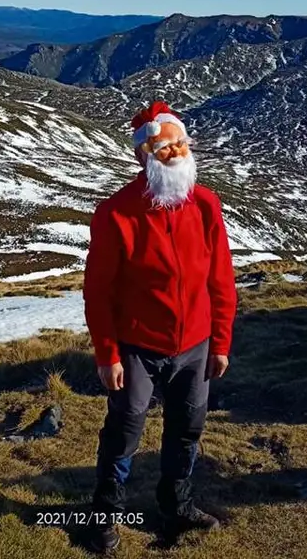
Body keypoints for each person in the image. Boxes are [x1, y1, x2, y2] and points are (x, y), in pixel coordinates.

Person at [82, 100, 238, 552]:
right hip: (136, 346)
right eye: (164, 147)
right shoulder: (116, 214)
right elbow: (99, 292)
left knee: (188, 426)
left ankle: (177, 505)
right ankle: (105, 517)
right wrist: (107, 353)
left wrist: (221, 341)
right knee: (125, 430)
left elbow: (220, 278)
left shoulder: (206, 204)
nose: (176, 153)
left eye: (180, 144)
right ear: (143, 155)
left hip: (196, 344)